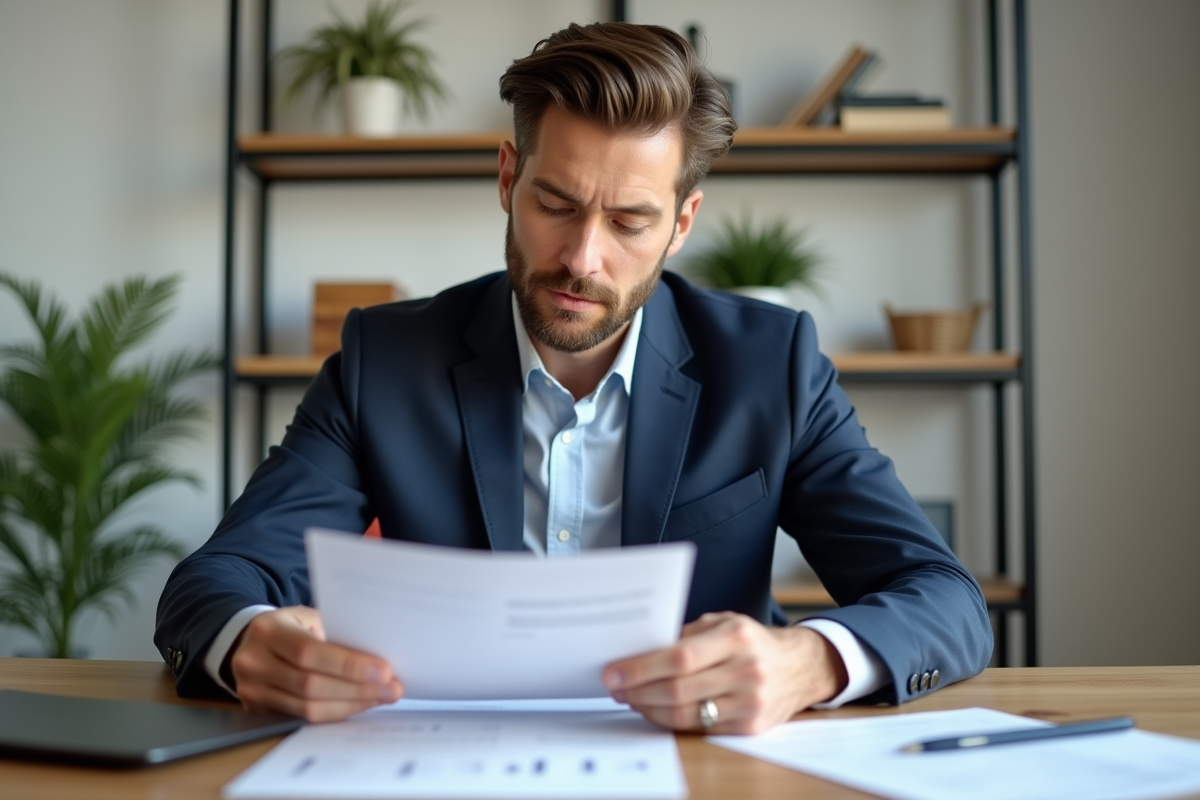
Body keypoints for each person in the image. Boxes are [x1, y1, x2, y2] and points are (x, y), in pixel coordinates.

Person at [156, 22, 991, 735]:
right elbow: (215, 580)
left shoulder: (773, 366)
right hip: (435, 762)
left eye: (630, 221)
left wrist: (808, 662)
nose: (583, 259)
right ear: (507, 179)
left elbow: (945, 599)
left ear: (682, 224)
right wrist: (253, 642)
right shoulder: (386, 360)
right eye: (555, 203)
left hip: (700, 765)